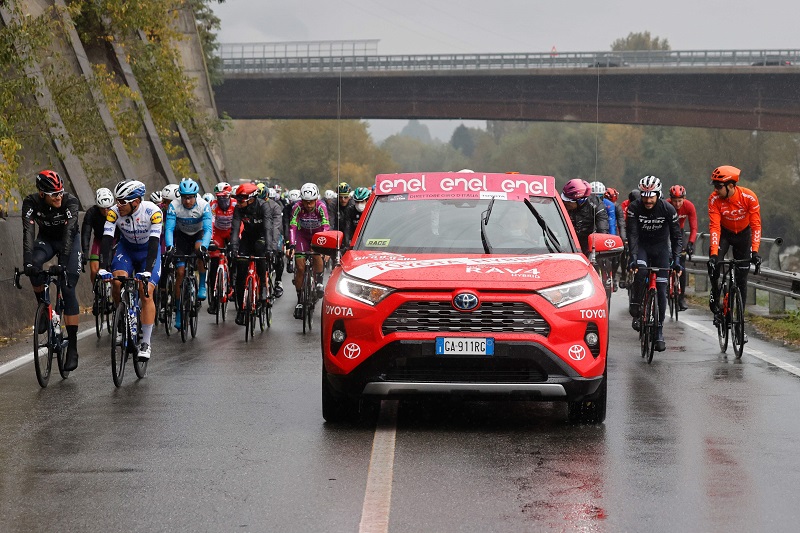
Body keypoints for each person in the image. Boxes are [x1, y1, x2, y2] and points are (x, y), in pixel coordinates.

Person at [22, 170, 82, 371]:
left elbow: (69, 234)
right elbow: (28, 233)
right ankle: (44, 310)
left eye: (60, 192)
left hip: (70, 242)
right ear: (41, 194)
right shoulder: (31, 203)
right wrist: (27, 263)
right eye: (53, 194)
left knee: (67, 286)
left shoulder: (70, 202)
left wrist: (63, 263)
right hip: (46, 240)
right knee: (34, 266)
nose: (58, 197)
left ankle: (72, 346)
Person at [98, 180, 162, 362]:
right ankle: (121, 319)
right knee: (117, 282)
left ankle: (146, 343)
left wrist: (148, 271)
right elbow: (107, 239)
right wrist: (103, 268)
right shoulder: (113, 213)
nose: (118, 205)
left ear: (136, 201)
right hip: (126, 250)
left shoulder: (153, 212)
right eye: (117, 201)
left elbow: (154, 243)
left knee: (146, 291)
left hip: (147, 252)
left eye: (122, 202)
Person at [626, 175, 683, 352]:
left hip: (661, 249)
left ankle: (659, 331)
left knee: (661, 290)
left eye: (651, 196)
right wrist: (633, 257)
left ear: (658, 194)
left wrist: (677, 260)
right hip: (642, 246)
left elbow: (676, 237)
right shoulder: (634, 208)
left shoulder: (668, 209)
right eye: (644, 195)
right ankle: (636, 302)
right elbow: (633, 234)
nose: (648, 200)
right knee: (641, 271)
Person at [707, 165, 762, 336]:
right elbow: (715, 226)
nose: (715, 190)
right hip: (724, 234)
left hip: (743, 236)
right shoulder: (714, 199)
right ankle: (716, 296)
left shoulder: (749, 197)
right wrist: (715, 254)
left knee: (742, 280)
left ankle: (739, 321)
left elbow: (756, 225)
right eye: (714, 186)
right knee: (714, 265)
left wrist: (755, 252)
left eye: (718, 186)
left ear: (730, 185)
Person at [229, 183, 281, 325]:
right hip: (247, 237)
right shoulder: (238, 209)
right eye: (237, 200)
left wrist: (270, 249)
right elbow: (234, 229)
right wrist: (233, 248)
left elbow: (268, 228)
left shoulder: (263, 206)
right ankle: (241, 310)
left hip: (262, 236)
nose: (238, 203)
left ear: (251, 199)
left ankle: (263, 285)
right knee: (240, 271)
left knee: (260, 249)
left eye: (241, 200)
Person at [164, 178, 212, 330]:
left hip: (198, 235)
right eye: (184, 197)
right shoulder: (174, 206)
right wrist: (170, 247)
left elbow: (208, 229)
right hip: (182, 237)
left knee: (199, 251)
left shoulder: (204, 206)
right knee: (180, 272)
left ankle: (202, 284)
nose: (187, 200)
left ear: (195, 196)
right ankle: (178, 311)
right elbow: (169, 229)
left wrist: (204, 246)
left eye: (190, 197)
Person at [286, 183, 330, 319]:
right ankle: (300, 300)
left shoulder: (321, 206)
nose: (309, 204)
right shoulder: (297, 207)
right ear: (302, 200)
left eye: (311, 201)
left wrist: (325, 246)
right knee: (299, 267)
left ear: (316, 199)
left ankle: (319, 282)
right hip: (302, 236)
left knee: (317, 254)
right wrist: (291, 246)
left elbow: (326, 226)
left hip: (317, 236)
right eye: (306, 201)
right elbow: (293, 226)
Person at [206, 182, 237, 314]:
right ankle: (214, 301)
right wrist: (211, 240)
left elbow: (238, 223)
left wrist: (236, 239)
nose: (221, 200)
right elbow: (211, 222)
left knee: (234, 257)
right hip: (218, 233)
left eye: (224, 197)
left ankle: (233, 283)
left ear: (229, 196)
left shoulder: (235, 204)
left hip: (231, 232)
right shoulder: (212, 205)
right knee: (214, 263)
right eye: (219, 197)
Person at [667, 184, 698, 311]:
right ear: (671, 200)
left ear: (684, 199)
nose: (677, 204)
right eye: (675, 201)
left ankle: (681, 297)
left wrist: (690, 243)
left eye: (680, 201)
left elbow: (694, 227)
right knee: (666, 257)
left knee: (682, 264)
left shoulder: (689, 206)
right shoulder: (666, 205)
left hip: (679, 231)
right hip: (667, 231)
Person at [561, 178, 609, 256]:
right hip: (567, 243)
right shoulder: (562, 204)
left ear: (580, 201)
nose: (564, 202)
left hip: (588, 243)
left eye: (568, 201)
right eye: (563, 198)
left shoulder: (597, 206)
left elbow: (602, 230)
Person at [82, 187, 115, 287]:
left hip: (114, 241)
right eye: (102, 208)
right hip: (99, 241)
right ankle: (97, 292)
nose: (105, 211)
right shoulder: (91, 213)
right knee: (94, 270)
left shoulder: (117, 211)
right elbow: (86, 233)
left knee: (114, 270)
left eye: (108, 208)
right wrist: (85, 251)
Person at [604, 187, 627, 290]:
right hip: (601, 231)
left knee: (616, 256)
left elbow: (621, 222)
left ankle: (613, 277)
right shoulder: (600, 205)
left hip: (613, 232)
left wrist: (622, 238)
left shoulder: (617, 207)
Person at [267, 187, 286, 297]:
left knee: (278, 254)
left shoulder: (278, 206)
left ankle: (278, 281)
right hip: (263, 232)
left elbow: (280, 225)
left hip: (277, 231)